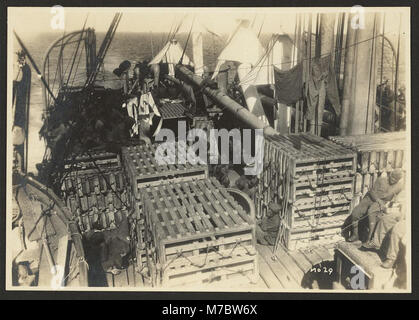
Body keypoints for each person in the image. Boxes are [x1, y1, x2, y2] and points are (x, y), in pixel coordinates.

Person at [347, 169, 404, 242]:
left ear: (398, 180)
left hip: (382, 202)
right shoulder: (381, 180)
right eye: (392, 177)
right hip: (370, 198)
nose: (392, 180)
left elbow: (397, 198)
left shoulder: (399, 187)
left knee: (371, 212)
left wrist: (390, 204)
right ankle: (355, 235)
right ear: (390, 175)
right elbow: (372, 191)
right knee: (355, 213)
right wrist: (377, 200)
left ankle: (369, 238)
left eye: (395, 179)